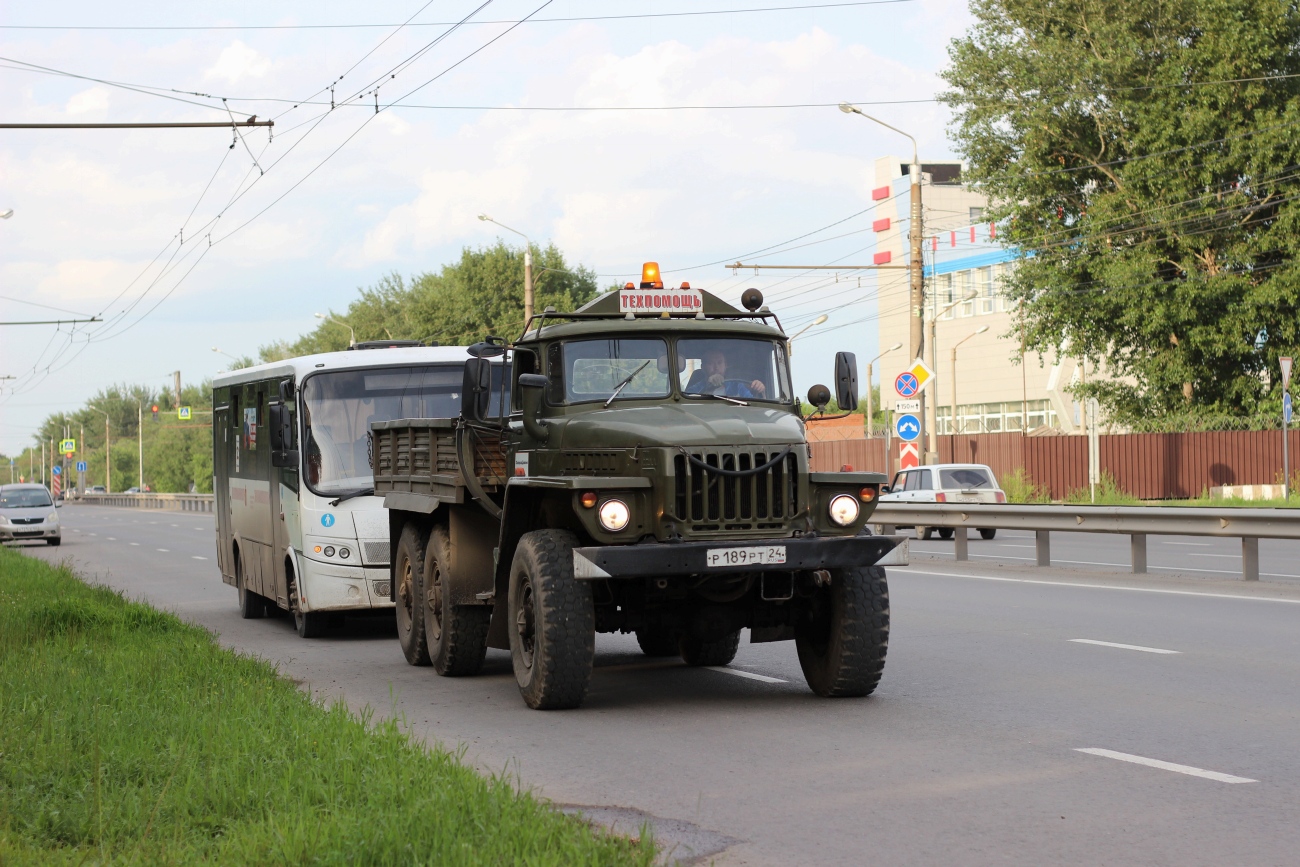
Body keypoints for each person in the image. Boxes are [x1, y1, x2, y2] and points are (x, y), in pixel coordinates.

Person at [684, 348, 767, 398]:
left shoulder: (737, 387)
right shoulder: (695, 389)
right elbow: (686, 405)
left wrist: (759, 389)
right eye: (710, 363)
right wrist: (708, 387)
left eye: (719, 362)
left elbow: (752, 406)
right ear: (703, 367)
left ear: (725, 365)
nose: (716, 367)